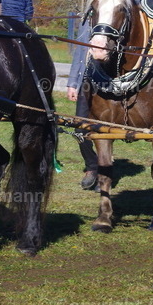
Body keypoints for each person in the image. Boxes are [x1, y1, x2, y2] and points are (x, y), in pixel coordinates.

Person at [67, 15, 99, 190]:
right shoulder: (86, 20)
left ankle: (104, 172)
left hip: (107, 83)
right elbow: (79, 53)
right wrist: (73, 83)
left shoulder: (118, 17)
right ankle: (92, 166)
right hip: (85, 82)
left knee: (106, 129)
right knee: (80, 128)